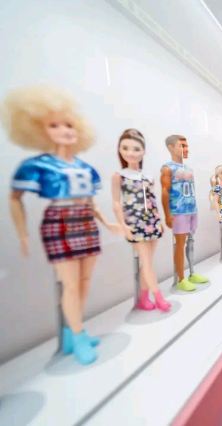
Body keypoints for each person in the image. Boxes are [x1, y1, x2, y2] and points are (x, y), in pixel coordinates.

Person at [4, 86, 121, 365]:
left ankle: (71, 331)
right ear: (39, 130)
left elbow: (90, 202)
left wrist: (107, 222)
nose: (64, 131)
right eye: (54, 125)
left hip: (86, 222)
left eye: (68, 124)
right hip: (59, 222)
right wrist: (22, 233)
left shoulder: (86, 168)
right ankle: (78, 335)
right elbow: (14, 197)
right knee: (69, 284)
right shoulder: (38, 166)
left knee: (84, 281)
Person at [112, 129, 171, 311]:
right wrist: (123, 225)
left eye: (136, 149)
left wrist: (159, 220)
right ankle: (158, 297)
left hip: (151, 221)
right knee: (146, 262)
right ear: (120, 149)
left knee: (147, 263)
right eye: (125, 148)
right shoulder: (119, 175)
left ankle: (144, 298)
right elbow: (116, 202)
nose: (131, 153)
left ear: (143, 151)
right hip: (135, 223)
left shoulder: (148, 176)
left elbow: (151, 200)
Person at [160, 135, 209, 292]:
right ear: (171, 147)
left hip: (191, 209)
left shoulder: (189, 169)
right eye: (182, 145)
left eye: (186, 146)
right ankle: (180, 279)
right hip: (178, 211)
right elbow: (165, 191)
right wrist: (167, 214)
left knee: (191, 241)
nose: (186, 149)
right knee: (179, 244)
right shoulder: (167, 168)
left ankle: (192, 273)